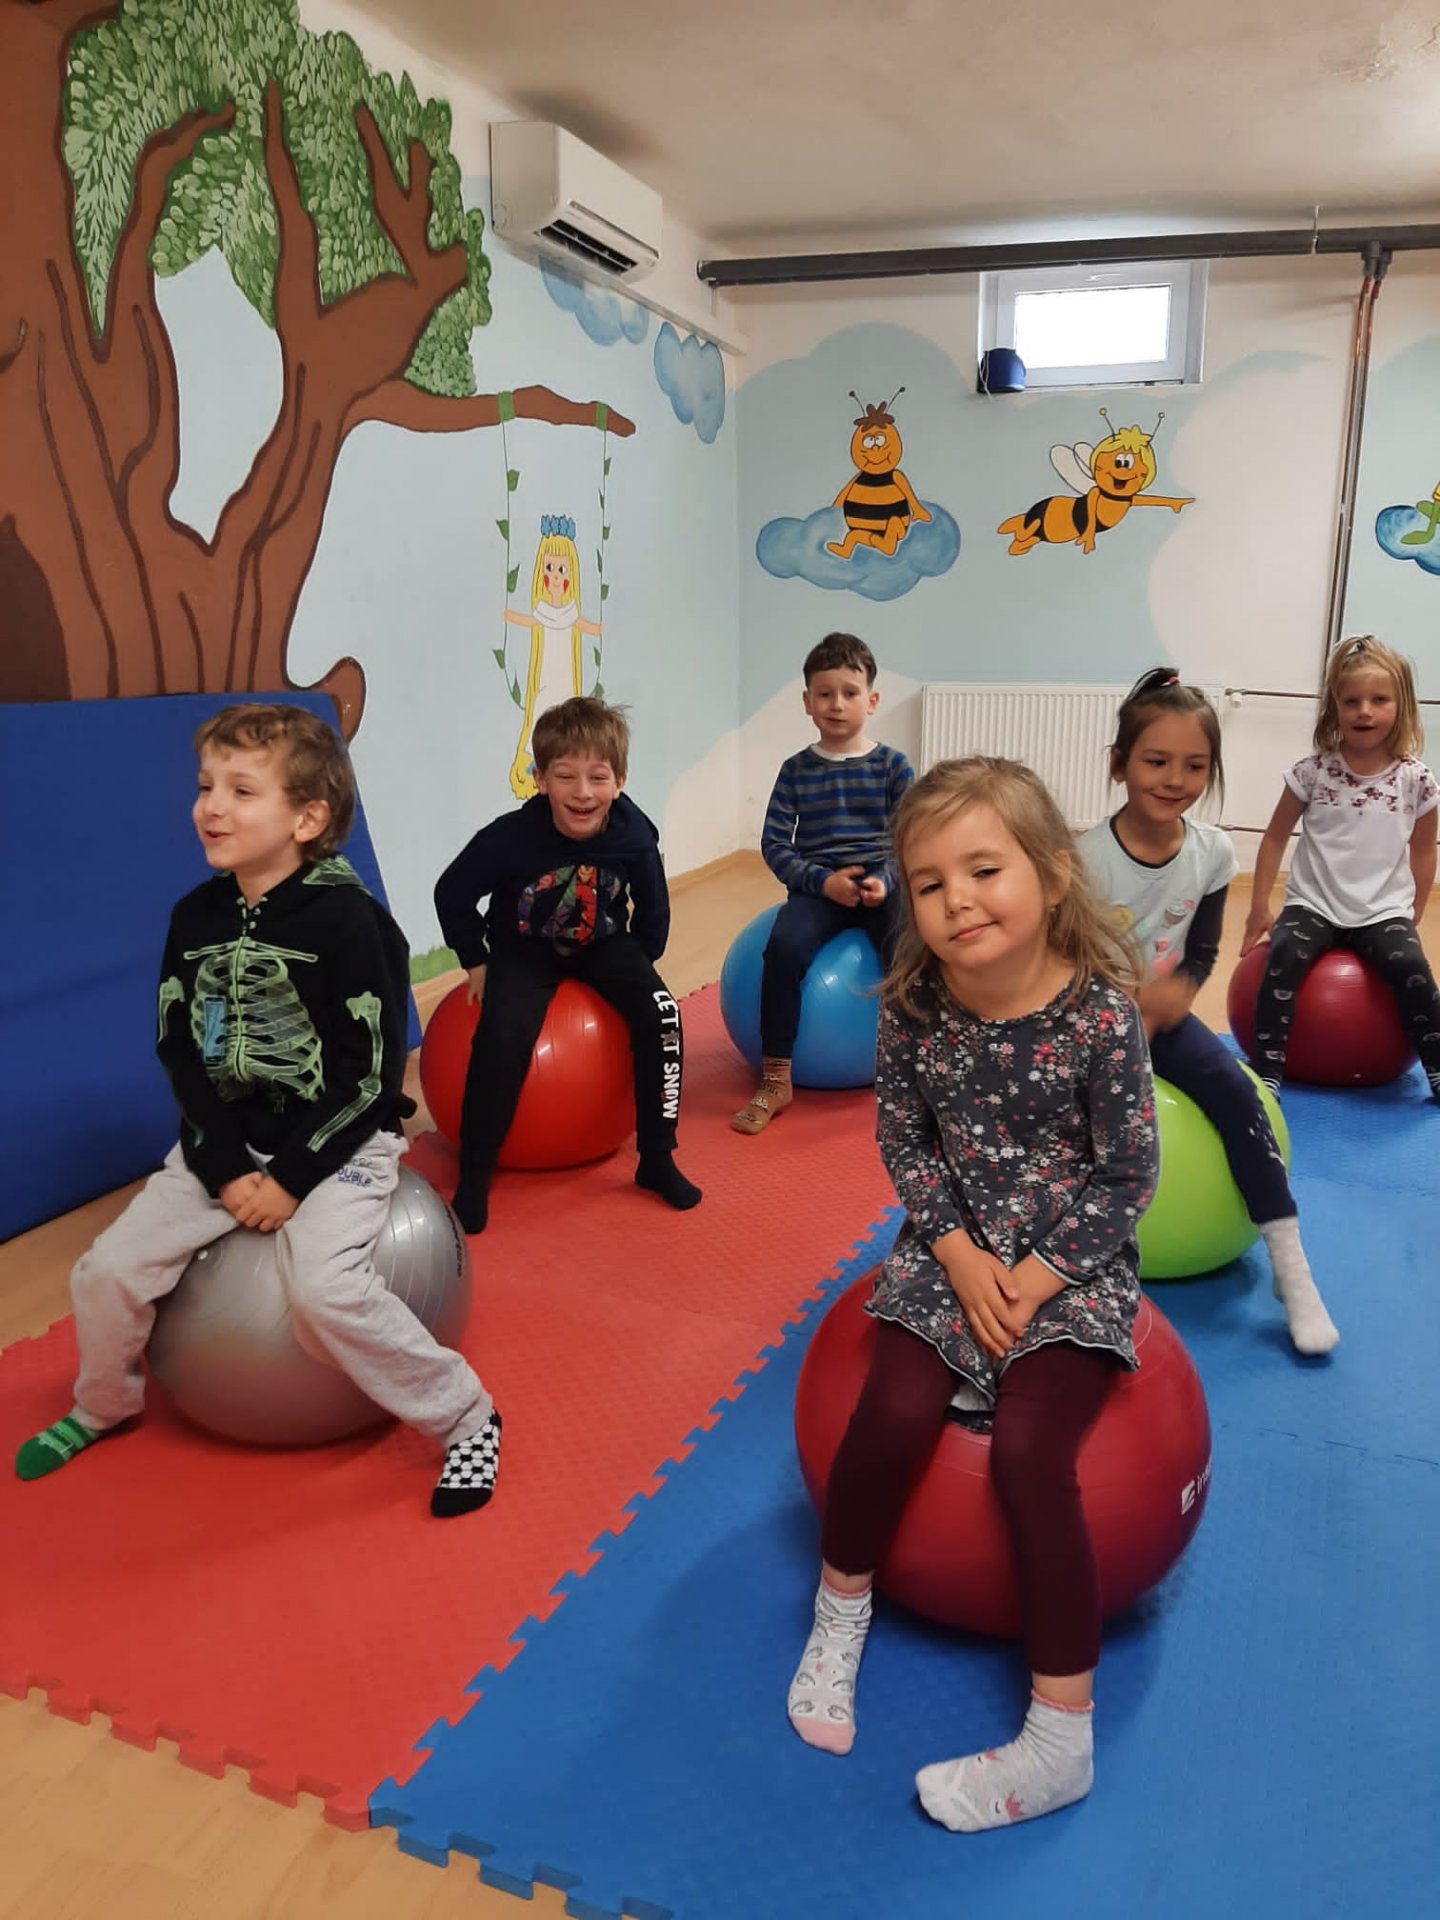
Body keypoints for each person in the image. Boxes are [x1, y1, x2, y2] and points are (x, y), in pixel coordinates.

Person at [787, 756, 1157, 1832]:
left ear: (1051, 873)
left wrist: (1037, 1278)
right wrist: (953, 1252)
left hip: (1070, 1267)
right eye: (930, 882)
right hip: (949, 1254)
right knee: (891, 1413)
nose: (957, 901)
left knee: (1033, 1456)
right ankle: (839, 1610)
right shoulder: (914, 1007)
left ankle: (1060, 1741)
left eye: (984, 870)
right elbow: (904, 1140)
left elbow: (1129, 1175)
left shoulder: (1102, 1017)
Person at [14, 704, 500, 1519]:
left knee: (325, 1295)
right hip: (228, 1142)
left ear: (307, 819)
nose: (211, 807)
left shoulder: (353, 924)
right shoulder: (194, 918)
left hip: (341, 1146)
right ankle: (106, 1402)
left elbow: (368, 1076)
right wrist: (223, 1164)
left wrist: (293, 1178)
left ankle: (465, 1415)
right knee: (103, 1274)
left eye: (242, 791)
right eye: (206, 786)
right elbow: (180, 1049)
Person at [1079, 669, 1339, 1355]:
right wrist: (1114, 1008)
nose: (1175, 779)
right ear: (1119, 765)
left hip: (1162, 1023)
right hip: (1089, 1025)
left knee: (1236, 1092)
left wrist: (1175, 997)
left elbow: (1199, 951)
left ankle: (1290, 1264)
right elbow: (1060, 958)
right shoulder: (1083, 859)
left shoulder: (1214, 852)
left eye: (1195, 765)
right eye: (1156, 761)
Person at [434, 695, 700, 1234]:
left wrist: (641, 965)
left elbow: (654, 904)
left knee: (664, 1015)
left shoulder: (633, 834)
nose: (582, 793)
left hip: (604, 945)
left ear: (619, 781)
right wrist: (476, 961)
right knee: (502, 1034)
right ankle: (476, 1171)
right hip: (522, 950)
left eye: (598, 777)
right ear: (539, 779)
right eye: (565, 776)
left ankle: (656, 1157)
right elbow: (452, 893)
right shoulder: (509, 838)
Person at [1241, 635, 1440, 1103]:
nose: (1364, 711)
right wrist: (1259, 907)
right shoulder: (1312, 772)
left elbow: (1424, 850)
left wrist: (1415, 908)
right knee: (1283, 957)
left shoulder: (1416, 779)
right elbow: (1274, 837)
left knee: (1412, 967)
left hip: (1382, 909)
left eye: (1379, 700)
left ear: (1402, 706)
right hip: (1313, 904)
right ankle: (1267, 1072)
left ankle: (1436, 1067)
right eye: (1352, 701)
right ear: (1335, 707)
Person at [731, 633, 913, 1134]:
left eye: (849, 693)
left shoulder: (893, 766)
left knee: (911, 954)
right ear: (807, 702)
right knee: (782, 950)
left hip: (881, 886)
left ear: (871, 700)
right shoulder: (795, 770)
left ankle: (917, 1065)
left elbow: (913, 838)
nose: (836, 704)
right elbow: (775, 844)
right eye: (824, 694)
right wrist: (823, 882)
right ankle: (776, 1077)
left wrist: (885, 879)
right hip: (818, 890)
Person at [503, 514, 602, 801]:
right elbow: (530, 621)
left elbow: (584, 625)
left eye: (561, 569)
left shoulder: (570, 612)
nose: (556, 576)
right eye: (550, 568)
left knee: (564, 713)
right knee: (542, 710)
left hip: (565, 673)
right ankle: (537, 759)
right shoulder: (543, 610)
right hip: (545, 672)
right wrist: (508, 616)